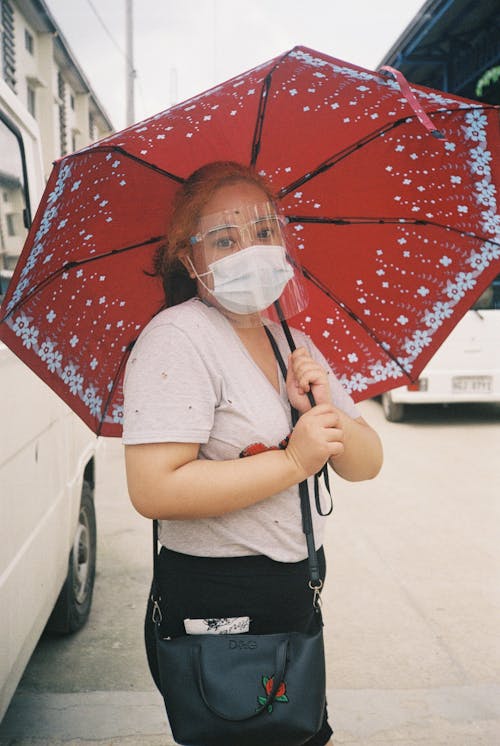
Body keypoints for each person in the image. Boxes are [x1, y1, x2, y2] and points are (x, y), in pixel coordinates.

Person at [122, 160, 383, 746]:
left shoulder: (289, 338)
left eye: (264, 230)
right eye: (224, 238)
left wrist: (324, 408)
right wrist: (292, 462)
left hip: (293, 589)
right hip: (219, 595)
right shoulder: (180, 336)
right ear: (190, 261)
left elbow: (365, 463)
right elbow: (153, 488)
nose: (252, 248)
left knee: (299, 730)